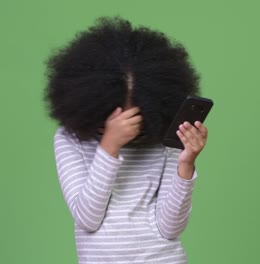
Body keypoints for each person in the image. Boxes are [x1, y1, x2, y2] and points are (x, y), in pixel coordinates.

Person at [44, 16, 209, 264]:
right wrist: (109, 146)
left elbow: (170, 228)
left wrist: (186, 164)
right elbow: (88, 219)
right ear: (91, 101)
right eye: (116, 110)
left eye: (136, 112)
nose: (125, 121)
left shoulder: (164, 138)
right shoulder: (71, 139)